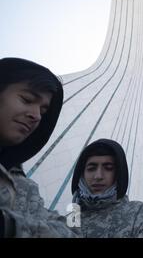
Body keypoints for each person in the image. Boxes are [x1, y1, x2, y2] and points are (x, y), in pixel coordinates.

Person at [0, 57, 78, 237]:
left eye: (43, 111)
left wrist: (9, 226)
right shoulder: (75, 206)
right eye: (27, 99)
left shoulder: (23, 187)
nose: (36, 116)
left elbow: (74, 232)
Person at [71, 139, 143, 237]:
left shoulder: (139, 213)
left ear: (119, 174)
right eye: (91, 169)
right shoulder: (72, 218)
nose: (98, 176)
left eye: (108, 168)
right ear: (82, 175)